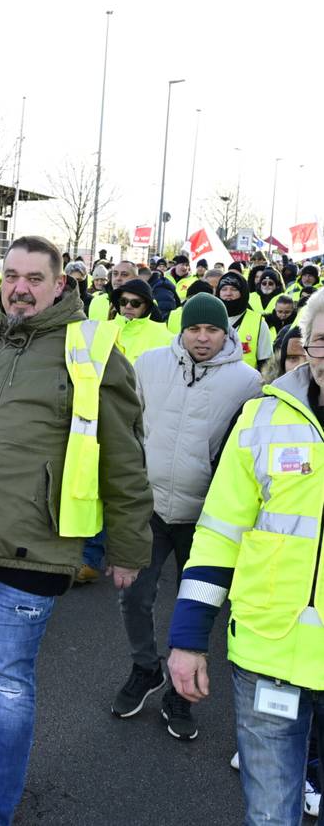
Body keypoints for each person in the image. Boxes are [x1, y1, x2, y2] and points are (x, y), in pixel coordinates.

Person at [0, 235, 152, 826]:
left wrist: (128, 546)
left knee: (7, 679)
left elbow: (124, 455)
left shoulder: (90, 350)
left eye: (34, 278)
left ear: (60, 284)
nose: (19, 287)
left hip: (33, 545)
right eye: (11, 275)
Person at [168, 288, 324, 825]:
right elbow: (218, 533)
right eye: (322, 340)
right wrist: (189, 638)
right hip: (267, 652)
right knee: (269, 816)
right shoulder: (261, 417)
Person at [111, 293, 262, 740]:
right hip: (150, 505)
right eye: (194, 329)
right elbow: (127, 425)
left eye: (212, 330)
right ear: (182, 330)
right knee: (133, 595)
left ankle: (180, 686)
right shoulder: (150, 363)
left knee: (193, 603)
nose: (202, 338)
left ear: (226, 333)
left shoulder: (247, 382)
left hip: (206, 516)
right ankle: (145, 668)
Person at [217, 271, 272, 370]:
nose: (228, 293)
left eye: (234, 289)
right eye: (224, 289)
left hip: (248, 383)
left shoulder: (258, 323)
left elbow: (266, 363)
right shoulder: (210, 318)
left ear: (242, 292)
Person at [110, 277, 172, 364]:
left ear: (146, 307)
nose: (128, 306)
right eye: (123, 301)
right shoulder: (102, 329)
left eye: (135, 303)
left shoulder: (165, 336)